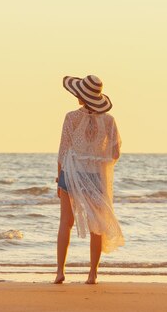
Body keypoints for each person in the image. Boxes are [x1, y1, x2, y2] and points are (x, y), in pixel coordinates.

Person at [54, 75, 124, 285]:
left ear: (81, 96)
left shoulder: (71, 117)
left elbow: (63, 151)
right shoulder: (109, 120)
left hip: (71, 172)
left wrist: (59, 178)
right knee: (96, 225)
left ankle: (59, 272)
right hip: (95, 175)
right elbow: (115, 152)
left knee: (65, 222)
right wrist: (96, 155)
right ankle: (92, 274)